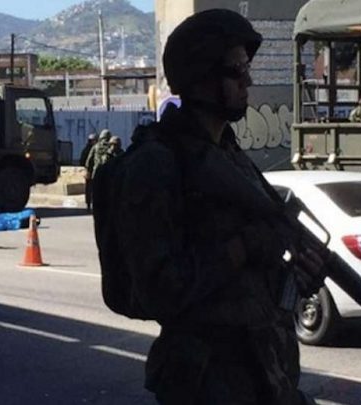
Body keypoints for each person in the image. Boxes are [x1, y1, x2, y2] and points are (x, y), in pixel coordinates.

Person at [96, 9, 324, 404]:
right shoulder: (158, 165)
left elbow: (251, 281)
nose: (248, 81)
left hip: (265, 373)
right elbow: (159, 290)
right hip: (205, 380)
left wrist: (295, 274)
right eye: (237, 70)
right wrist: (245, 246)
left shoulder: (227, 156)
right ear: (201, 78)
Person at [79, 133, 97, 212]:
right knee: (90, 189)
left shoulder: (90, 149)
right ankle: (89, 204)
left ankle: (90, 204)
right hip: (90, 172)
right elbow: (83, 161)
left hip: (92, 171)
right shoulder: (90, 149)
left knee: (91, 189)